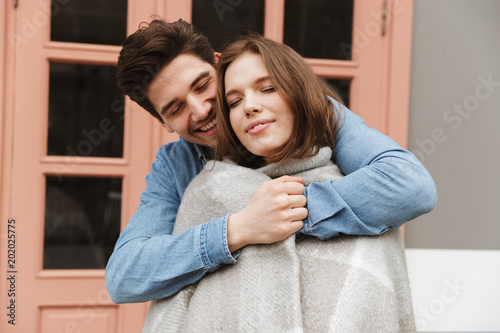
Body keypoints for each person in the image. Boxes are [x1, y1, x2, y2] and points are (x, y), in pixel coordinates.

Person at [105, 18, 436, 304]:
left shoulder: (310, 113)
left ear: (220, 65)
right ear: (164, 123)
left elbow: (410, 185)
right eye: (175, 109)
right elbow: (124, 275)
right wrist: (237, 230)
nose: (201, 109)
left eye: (203, 84)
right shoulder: (175, 163)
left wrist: (291, 213)